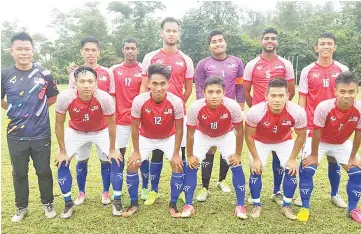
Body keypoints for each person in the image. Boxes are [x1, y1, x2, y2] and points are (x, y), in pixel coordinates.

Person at [1, 32, 59, 222]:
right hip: (15, 134)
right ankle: (21, 207)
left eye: (27, 49)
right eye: (19, 49)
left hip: (41, 133)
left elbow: (52, 98)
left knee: (43, 171)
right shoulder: (4, 74)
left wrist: (36, 111)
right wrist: (13, 109)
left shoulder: (44, 73)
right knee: (19, 173)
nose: (23, 52)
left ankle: (48, 203)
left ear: (33, 50)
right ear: (12, 51)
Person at [54, 66, 122, 218]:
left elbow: (111, 125)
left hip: (100, 131)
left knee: (117, 159)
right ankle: (68, 202)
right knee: (62, 161)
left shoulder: (104, 98)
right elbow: (59, 124)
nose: (86, 85)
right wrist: (62, 151)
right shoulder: (65, 97)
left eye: (90, 81)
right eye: (82, 81)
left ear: (96, 83)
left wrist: (112, 149)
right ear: (75, 83)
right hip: (76, 131)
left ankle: (115, 199)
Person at [140, 17, 194, 206]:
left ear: (179, 34)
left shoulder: (186, 59)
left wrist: (174, 108)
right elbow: (144, 86)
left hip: (177, 115)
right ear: (161, 33)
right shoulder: (150, 57)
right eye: (168, 30)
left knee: (181, 152)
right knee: (156, 152)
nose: (171, 34)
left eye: (175, 31)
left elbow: (188, 89)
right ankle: (153, 191)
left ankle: (179, 190)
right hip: (153, 114)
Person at [297, 71, 361, 223]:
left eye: (351, 92)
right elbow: (316, 132)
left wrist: (352, 157)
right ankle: (305, 207)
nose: (347, 95)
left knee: (357, 173)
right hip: (319, 141)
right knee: (307, 169)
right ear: (335, 91)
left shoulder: (359, 109)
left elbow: (358, 134)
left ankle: (352, 209)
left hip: (341, 143)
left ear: (357, 91)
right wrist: (313, 154)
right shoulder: (324, 107)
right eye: (343, 91)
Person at [295, 33, 349, 208]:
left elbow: (347, 98)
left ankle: (334, 194)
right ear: (316, 48)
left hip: (337, 126)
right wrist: (301, 125)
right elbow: (302, 98)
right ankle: (301, 195)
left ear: (334, 47)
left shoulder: (342, 69)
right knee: (307, 160)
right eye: (322, 44)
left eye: (329, 44)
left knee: (334, 160)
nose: (325, 47)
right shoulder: (307, 70)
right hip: (312, 125)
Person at [122, 64, 184, 218]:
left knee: (178, 165)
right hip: (146, 138)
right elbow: (135, 128)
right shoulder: (139, 101)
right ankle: (134, 203)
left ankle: (173, 204)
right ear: (148, 83)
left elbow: (180, 129)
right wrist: (136, 151)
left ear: (168, 84)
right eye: (154, 83)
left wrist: (176, 153)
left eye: (162, 84)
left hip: (168, 137)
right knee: (131, 165)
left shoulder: (176, 102)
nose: (158, 88)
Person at [181, 76, 247, 219]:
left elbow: (240, 131)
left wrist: (238, 154)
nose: (214, 96)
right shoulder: (196, 107)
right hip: (202, 134)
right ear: (204, 92)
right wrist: (190, 155)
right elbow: (190, 133)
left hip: (225, 134)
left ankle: (241, 205)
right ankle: (188, 204)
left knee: (236, 164)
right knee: (192, 165)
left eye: (218, 92)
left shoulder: (233, 106)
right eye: (210, 92)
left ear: (224, 92)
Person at [243, 28, 296, 205]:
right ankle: (255, 196)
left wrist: (281, 109)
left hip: (280, 115)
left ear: (277, 42)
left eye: (273, 38)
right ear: (261, 41)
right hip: (260, 118)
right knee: (259, 154)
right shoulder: (252, 64)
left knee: (279, 154)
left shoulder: (285, 64)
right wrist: (256, 110)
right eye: (266, 38)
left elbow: (291, 90)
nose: (270, 41)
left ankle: (277, 191)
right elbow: (245, 90)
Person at [193, 30, 245, 201]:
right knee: (209, 147)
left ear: (225, 42)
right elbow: (200, 88)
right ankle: (205, 187)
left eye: (220, 40)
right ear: (210, 45)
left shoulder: (237, 62)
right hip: (209, 112)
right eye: (214, 41)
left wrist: (240, 107)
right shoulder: (203, 64)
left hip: (229, 111)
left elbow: (239, 87)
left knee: (225, 146)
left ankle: (222, 180)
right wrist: (205, 111)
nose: (218, 44)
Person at [245, 78, 307, 219]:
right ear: (266, 96)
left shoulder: (297, 111)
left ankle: (286, 206)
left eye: (281, 95)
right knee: (256, 169)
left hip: (284, 141)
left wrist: (292, 159)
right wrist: (255, 158)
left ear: (288, 95)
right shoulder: (255, 111)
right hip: (260, 141)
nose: (277, 99)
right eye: (273, 95)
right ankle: (256, 205)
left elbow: (301, 136)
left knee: (291, 170)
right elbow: (249, 136)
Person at [68, 36, 116, 206]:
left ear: (99, 52)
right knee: (82, 159)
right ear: (82, 52)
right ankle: (81, 192)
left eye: (93, 50)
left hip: (101, 127)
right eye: (87, 50)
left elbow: (112, 97)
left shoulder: (107, 72)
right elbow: (71, 98)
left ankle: (105, 192)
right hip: (81, 128)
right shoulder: (75, 73)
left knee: (106, 159)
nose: (90, 53)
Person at [109, 37, 150, 200]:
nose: (130, 51)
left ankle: (145, 187)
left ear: (137, 50)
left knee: (142, 154)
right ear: (123, 50)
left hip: (141, 120)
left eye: (133, 48)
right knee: (119, 153)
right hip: (121, 120)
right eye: (127, 48)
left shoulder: (144, 69)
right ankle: (116, 189)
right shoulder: (114, 70)